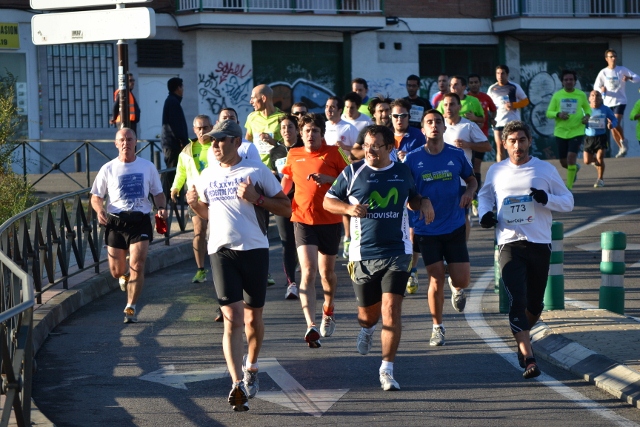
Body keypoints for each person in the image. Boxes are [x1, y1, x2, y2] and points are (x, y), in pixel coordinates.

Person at [187, 120, 291, 411]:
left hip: (254, 250)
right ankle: (236, 385)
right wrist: (194, 204)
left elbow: (286, 207)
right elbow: (210, 214)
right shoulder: (206, 176)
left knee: (252, 318)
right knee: (232, 317)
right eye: (212, 142)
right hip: (221, 251)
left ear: (235, 141)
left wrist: (256, 198)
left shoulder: (256, 171)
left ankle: (252, 367)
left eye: (220, 141)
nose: (215, 146)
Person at [323, 125, 432, 391]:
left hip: (398, 250)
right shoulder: (353, 171)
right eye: (367, 145)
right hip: (364, 254)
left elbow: (412, 199)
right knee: (368, 316)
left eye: (376, 145)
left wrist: (423, 202)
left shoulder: (402, 171)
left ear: (389, 148)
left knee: (391, 310)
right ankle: (368, 330)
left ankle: (387, 369)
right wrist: (349, 208)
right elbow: (328, 201)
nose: (370, 150)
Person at [478, 120, 574, 379]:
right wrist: (485, 214)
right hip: (509, 243)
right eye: (512, 141)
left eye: (522, 140)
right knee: (517, 300)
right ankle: (528, 356)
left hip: (540, 243)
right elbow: (485, 195)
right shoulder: (496, 171)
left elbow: (569, 201)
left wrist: (547, 199)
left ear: (529, 141)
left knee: (534, 303)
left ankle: (524, 340)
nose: (517, 145)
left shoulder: (545, 169)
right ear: (504, 144)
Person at [404, 109, 477, 347]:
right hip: (427, 230)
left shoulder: (456, 154)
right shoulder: (412, 159)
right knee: (435, 278)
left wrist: (468, 192)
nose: (434, 125)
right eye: (429, 122)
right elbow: (408, 198)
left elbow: (472, 178)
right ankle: (438, 327)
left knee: (462, 279)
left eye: (438, 122)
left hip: (455, 225)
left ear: (445, 128)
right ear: (423, 130)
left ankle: (457, 287)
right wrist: (422, 202)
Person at [281, 113, 349, 348]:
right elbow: (286, 183)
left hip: (329, 221)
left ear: (322, 133)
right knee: (308, 271)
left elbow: (351, 180)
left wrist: (329, 178)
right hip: (302, 219)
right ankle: (311, 325)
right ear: (301, 134)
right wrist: (277, 199)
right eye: (307, 131)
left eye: (315, 131)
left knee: (326, 274)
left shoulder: (334, 152)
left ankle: (328, 311)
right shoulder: (293, 154)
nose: (311, 135)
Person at [90, 128, 167, 324]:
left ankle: (130, 306)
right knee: (116, 271)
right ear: (116, 144)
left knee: (138, 264)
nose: (126, 143)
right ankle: (123, 277)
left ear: (136, 142)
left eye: (129, 139)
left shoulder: (147, 167)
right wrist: (99, 210)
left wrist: (161, 208)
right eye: (121, 140)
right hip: (115, 222)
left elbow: (158, 192)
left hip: (140, 219)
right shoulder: (108, 168)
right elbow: (96, 196)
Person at [170, 115, 214, 284]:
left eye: (205, 128)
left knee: (219, 231)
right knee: (199, 230)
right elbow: (181, 171)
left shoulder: (218, 146)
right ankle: (201, 269)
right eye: (199, 129)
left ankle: (222, 265)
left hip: (216, 195)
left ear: (211, 127)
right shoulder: (187, 151)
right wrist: (175, 187)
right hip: (196, 196)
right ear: (194, 130)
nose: (202, 132)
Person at [441, 92, 491, 240]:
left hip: (462, 180)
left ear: (459, 106)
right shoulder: (438, 125)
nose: (448, 107)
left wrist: (468, 144)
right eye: (445, 105)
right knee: (442, 214)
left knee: (462, 216)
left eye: (452, 104)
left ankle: (462, 248)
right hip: (441, 178)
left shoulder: (468, 125)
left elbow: (487, 146)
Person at [272, 115, 304, 300]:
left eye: (290, 127)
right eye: (283, 127)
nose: (286, 130)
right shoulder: (275, 151)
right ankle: (291, 282)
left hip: (302, 201)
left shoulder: (302, 149)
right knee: (287, 242)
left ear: (296, 130)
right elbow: (273, 176)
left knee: (303, 241)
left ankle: (307, 273)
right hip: (282, 202)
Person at [545, 70, 591, 191]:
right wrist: (558, 114)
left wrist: (587, 116)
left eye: (571, 79)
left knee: (571, 157)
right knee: (564, 162)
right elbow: (549, 113)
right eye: (566, 80)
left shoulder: (580, 95)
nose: (569, 82)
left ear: (575, 81)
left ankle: (569, 187)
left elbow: (587, 109)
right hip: (561, 132)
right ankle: (574, 168)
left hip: (577, 131)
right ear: (562, 82)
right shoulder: (557, 95)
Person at [594, 49, 639, 157]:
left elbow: (638, 78)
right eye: (611, 56)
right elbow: (596, 86)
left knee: (615, 123)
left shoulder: (622, 70)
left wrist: (629, 77)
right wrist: (601, 89)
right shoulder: (603, 72)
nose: (613, 58)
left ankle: (623, 140)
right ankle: (621, 147)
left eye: (615, 56)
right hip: (608, 102)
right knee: (611, 126)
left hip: (620, 101)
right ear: (606, 59)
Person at [467, 74, 497, 215]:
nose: (474, 84)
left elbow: (492, 110)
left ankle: (476, 197)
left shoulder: (485, 97)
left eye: (476, 82)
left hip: (481, 137)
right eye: (471, 82)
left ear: (480, 83)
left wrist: (491, 118)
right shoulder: (465, 99)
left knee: (476, 166)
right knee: (469, 167)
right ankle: (470, 195)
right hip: (467, 139)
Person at [488, 65, 529, 162]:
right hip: (498, 122)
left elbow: (526, 101)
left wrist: (514, 105)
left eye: (502, 73)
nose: (500, 76)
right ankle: (501, 170)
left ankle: (516, 168)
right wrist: (491, 118)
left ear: (507, 74)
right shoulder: (492, 88)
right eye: (498, 73)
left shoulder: (514, 87)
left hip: (512, 122)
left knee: (514, 148)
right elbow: (488, 105)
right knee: (500, 147)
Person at [245, 84, 287, 168]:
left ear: (263, 98)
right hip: (257, 167)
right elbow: (247, 142)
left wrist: (274, 142)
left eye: (253, 98)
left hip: (277, 168)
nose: (251, 101)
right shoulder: (251, 117)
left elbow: (290, 145)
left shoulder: (283, 117)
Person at [161, 77, 189, 201]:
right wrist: (182, 141)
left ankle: (172, 197)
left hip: (171, 143)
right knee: (172, 171)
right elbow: (176, 125)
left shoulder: (172, 101)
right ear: (178, 88)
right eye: (182, 87)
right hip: (172, 144)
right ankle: (167, 198)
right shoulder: (172, 102)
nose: (183, 90)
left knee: (174, 169)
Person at [584, 90, 617, 188]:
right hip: (589, 138)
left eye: (597, 95)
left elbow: (614, 119)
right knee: (587, 161)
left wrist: (611, 124)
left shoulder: (605, 109)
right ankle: (596, 162)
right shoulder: (585, 109)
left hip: (601, 138)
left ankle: (600, 179)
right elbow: (579, 120)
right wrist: (583, 121)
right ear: (589, 98)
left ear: (601, 98)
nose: (595, 98)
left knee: (600, 158)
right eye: (593, 95)